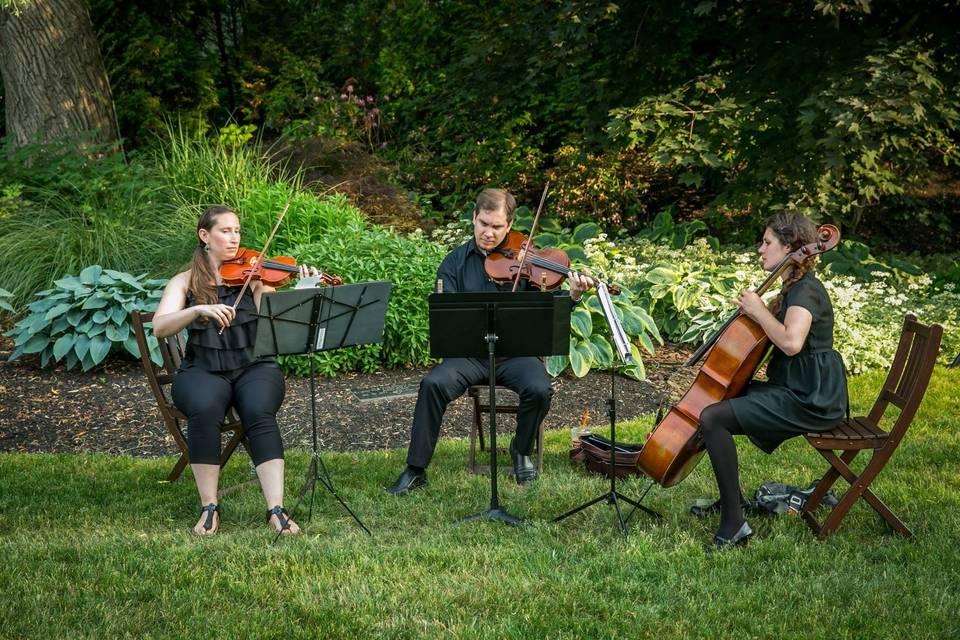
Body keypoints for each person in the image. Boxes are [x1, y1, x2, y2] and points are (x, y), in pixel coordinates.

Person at [386, 188, 594, 494]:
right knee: (432, 385)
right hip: (469, 355)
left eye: (497, 227)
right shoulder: (453, 263)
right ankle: (416, 468)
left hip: (516, 354)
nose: (489, 232)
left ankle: (520, 451)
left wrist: (573, 295)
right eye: (484, 224)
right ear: (474, 218)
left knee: (540, 389)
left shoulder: (528, 262)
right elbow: (447, 319)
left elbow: (548, 309)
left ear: (509, 226)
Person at [152, 205, 322, 536]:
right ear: (205, 236)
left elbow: (277, 322)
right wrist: (198, 308)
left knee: (259, 409)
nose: (234, 238)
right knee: (204, 408)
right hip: (202, 369)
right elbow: (160, 327)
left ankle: (276, 508)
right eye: (225, 231)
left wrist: (305, 290)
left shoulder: (255, 278)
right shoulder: (184, 282)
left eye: (237, 231)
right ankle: (209, 507)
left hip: (253, 366)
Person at [696, 212, 848, 549]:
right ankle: (732, 502)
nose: (760, 250)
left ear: (791, 247)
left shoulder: (806, 290)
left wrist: (759, 310)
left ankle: (734, 525)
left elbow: (792, 342)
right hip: (797, 389)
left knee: (712, 418)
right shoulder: (794, 286)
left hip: (811, 399)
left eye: (767, 243)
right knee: (716, 402)